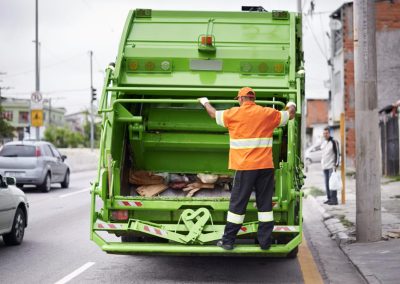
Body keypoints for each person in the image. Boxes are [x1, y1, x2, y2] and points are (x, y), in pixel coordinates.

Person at [198, 87, 296, 250]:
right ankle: (265, 242)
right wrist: (291, 102)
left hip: (245, 167)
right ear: (253, 99)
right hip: (265, 167)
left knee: (238, 204)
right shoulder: (267, 113)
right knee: (265, 205)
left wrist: (204, 102)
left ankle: (228, 241)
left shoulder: (233, 114)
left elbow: (213, 114)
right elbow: (290, 114)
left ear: (241, 99)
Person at [320, 127, 340, 205]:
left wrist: (336, 164)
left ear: (329, 133)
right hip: (324, 167)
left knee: (332, 183)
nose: (325, 135)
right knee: (327, 184)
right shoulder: (324, 143)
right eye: (324, 133)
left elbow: (338, 154)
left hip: (331, 166)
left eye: (326, 133)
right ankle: (329, 198)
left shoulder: (334, 142)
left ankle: (334, 200)